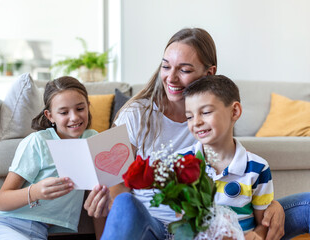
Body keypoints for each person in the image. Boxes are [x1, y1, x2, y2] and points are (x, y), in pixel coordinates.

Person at [84, 27, 309, 240]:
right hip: (157, 225)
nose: (171, 78)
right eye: (165, 66)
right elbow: (110, 181)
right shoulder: (135, 113)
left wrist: (271, 208)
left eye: (184, 70)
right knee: (124, 203)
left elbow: (235, 174)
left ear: (209, 73)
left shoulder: (217, 113)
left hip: (220, 223)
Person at [0, 76, 108, 240]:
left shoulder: (93, 140)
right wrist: (35, 192)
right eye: (64, 112)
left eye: (80, 109)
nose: (74, 117)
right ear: (50, 116)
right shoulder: (38, 142)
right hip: (2, 223)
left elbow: (97, 200)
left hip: (38, 233)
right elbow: (1, 201)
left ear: (88, 107)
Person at [181, 75, 273, 239]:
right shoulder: (179, 162)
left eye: (206, 112)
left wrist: (256, 236)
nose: (196, 122)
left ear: (235, 111)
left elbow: (263, 225)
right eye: (189, 116)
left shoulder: (258, 168)